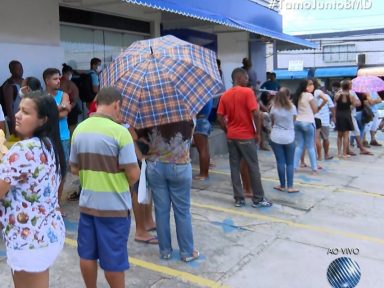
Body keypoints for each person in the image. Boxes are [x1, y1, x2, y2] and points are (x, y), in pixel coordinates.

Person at [69, 87, 140, 287]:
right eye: (121, 108)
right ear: (116, 104)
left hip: (87, 204)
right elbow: (134, 175)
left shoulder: (80, 129)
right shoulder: (120, 133)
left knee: (87, 254)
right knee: (114, 261)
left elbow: (74, 169)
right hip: (114, 209)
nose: (121, 113)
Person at [0, 91, 66, 288]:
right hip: (47, 233)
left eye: (26, 112)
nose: (18, 115)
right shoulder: (49, 144)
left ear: (42, 120)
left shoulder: (23, 150)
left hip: (28, 239)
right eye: (19, 109)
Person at [137, 118, 199, 262]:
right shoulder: (187, 113)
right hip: (180, 165)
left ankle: (165, 251)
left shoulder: (151, 112)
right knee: (182, 211)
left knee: (161, 210)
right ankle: (187, 252)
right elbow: (191, 137)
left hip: (155, 166)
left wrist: (143, 154)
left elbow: (136, 135)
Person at [217, 68, 272, 208]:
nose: (248, 81)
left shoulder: (225, 95)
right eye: (246, 78)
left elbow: (219, 116)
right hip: (246, 136)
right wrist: (258, 133)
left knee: (234, 167)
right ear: (240, 78)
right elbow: (256, 114)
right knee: (253, 167)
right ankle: (258, 199)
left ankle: (239, 199)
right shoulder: (248, 92)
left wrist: (227, 129)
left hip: (231, 136)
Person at [43, 68, 71, 204]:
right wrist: (59, 108)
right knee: (48, 171)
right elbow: (41, 117)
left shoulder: (63, 94)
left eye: (59, 78)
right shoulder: (41, 97)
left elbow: (65, 113)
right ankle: (49, 202)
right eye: (55, 79)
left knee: (62, 171)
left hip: (63, 137)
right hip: (47, 138)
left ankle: (58, 204)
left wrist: (49, 114)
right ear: (47, 81)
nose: (59, 81)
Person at [293, 79, 328, 174]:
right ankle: (314, 169)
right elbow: (315, 110)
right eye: (310, 84)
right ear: (305, 86)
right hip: (308, 122)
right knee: (310, 147)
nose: (312, 86)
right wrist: (320, 107)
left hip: (298, 122)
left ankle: (294, 167)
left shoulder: (298, 96)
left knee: (299, 146)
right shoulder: (309, 95)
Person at [270, 90, 298, 193]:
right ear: (289, 96)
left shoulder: (274, 108)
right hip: (289, 136)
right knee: (290, 163)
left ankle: (282, 185)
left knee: (280, 162)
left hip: (276, 135)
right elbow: (294, 120)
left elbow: (273, 121)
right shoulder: (292, 108)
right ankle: (290, 187)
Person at [334, 81, 357, 159]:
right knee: (346, 135)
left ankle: (339, 153)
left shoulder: (337, 95)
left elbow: (335, 106)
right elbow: (353, 106)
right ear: (348, 87)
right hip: (347, 115)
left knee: (339, 135)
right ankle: (344, 154)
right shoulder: (351, 96)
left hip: (339, 115)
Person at [1, 60, 24, 135]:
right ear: (11, 71)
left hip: (24, 118)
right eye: (18, 69)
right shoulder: (9, 85)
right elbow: (9, 108)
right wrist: (14, 126)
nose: (21, 71)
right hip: (14, 120)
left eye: (21, 68)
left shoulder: (24, 81)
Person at [193, 98, 213, 181]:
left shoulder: (199, 97)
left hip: (200, 120)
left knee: (202, 150)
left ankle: (203, 174)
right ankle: (205, 172)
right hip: (204, 120)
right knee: (204, 149)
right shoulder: (207, 95)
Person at [314, 86, 336, 160]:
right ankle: (326, 154)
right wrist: (334, 117)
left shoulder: (312, 96)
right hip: (324, 120)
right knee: (325, 138)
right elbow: (332, 107)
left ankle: (318, 156)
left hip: (315, 119)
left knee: (317, 139)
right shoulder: (326, 97)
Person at [60, 63, 81, 135]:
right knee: (72, 129)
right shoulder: (65, 83)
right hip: (68, 108)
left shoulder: (60, 82)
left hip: (65, 108)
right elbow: (75, 97)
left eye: (71, 74)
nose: (70, 76)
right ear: (64, 73)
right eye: (68, 74)